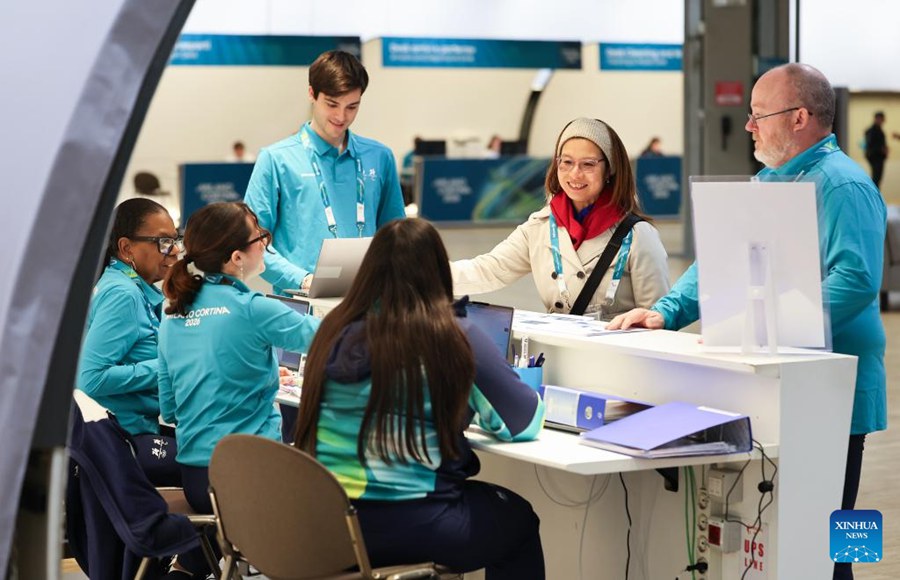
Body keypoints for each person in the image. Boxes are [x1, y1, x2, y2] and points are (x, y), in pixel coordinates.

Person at [608, 63, 886, 580]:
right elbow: (718, 261)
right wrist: (667, 311)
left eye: (759, 115)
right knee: (784, 535)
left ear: (799, 117)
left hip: (833, 391)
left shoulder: (844, 186)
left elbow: (857, 279)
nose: (749, 127)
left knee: (835, 537)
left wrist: (775, 323)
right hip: (777, 383)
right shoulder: (769, 181)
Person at [294, 218, 545, 578]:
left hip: (331, 526)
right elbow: (522, 423)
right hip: (418, 524)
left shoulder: (333, 329)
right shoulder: (456, 335)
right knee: (518, 520)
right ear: (438, 272)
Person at [157, 202, 319, 516]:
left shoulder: (172, 312)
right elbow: (332, 336)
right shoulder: (252, 308)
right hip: (253, 480)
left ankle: (193, 564)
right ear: (236, 257)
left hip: (197, 482)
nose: (265, 245)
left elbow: (170, 408)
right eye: (261, 238)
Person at [450, 117, 670, 320]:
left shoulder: (638, 235)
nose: (575, 174)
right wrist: (426, 274)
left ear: (609, 169)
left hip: (617, 359)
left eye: (588, 164)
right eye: (566, 162)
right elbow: (489, 270)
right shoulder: (540, 227)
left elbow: (656, 320)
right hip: (559, 354)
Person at [244, 49, 406, 296]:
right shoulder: (276, 159)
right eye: (332, 104)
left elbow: (395, 234)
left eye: (352, 106)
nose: (341, 116)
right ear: (312, 94)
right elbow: (251, 243)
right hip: (301, 307)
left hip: (368, 301)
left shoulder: (379, 156)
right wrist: (303, 279)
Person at [77, 198, 182, 487]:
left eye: (175, 241)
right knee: (216, 467)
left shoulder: (127, 286)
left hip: (126, 432)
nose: (173, 252)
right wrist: (166, 366)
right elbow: (91, 379)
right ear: (126, 248)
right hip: (120, 441)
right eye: (163, 242)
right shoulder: (123, 295)